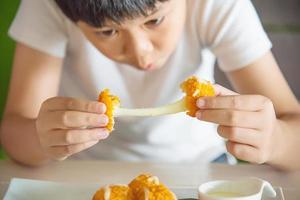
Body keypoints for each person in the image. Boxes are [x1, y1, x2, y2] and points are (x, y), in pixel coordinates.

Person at [1, 0, 299, 170]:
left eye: (154, 21)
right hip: (84, 167)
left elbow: (293, 129)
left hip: (203, 165)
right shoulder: (49, 5)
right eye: (107, 31)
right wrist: (43, 140)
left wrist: (276, 139)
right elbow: (14, 132)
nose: (141, 52)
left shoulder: (215, 5)